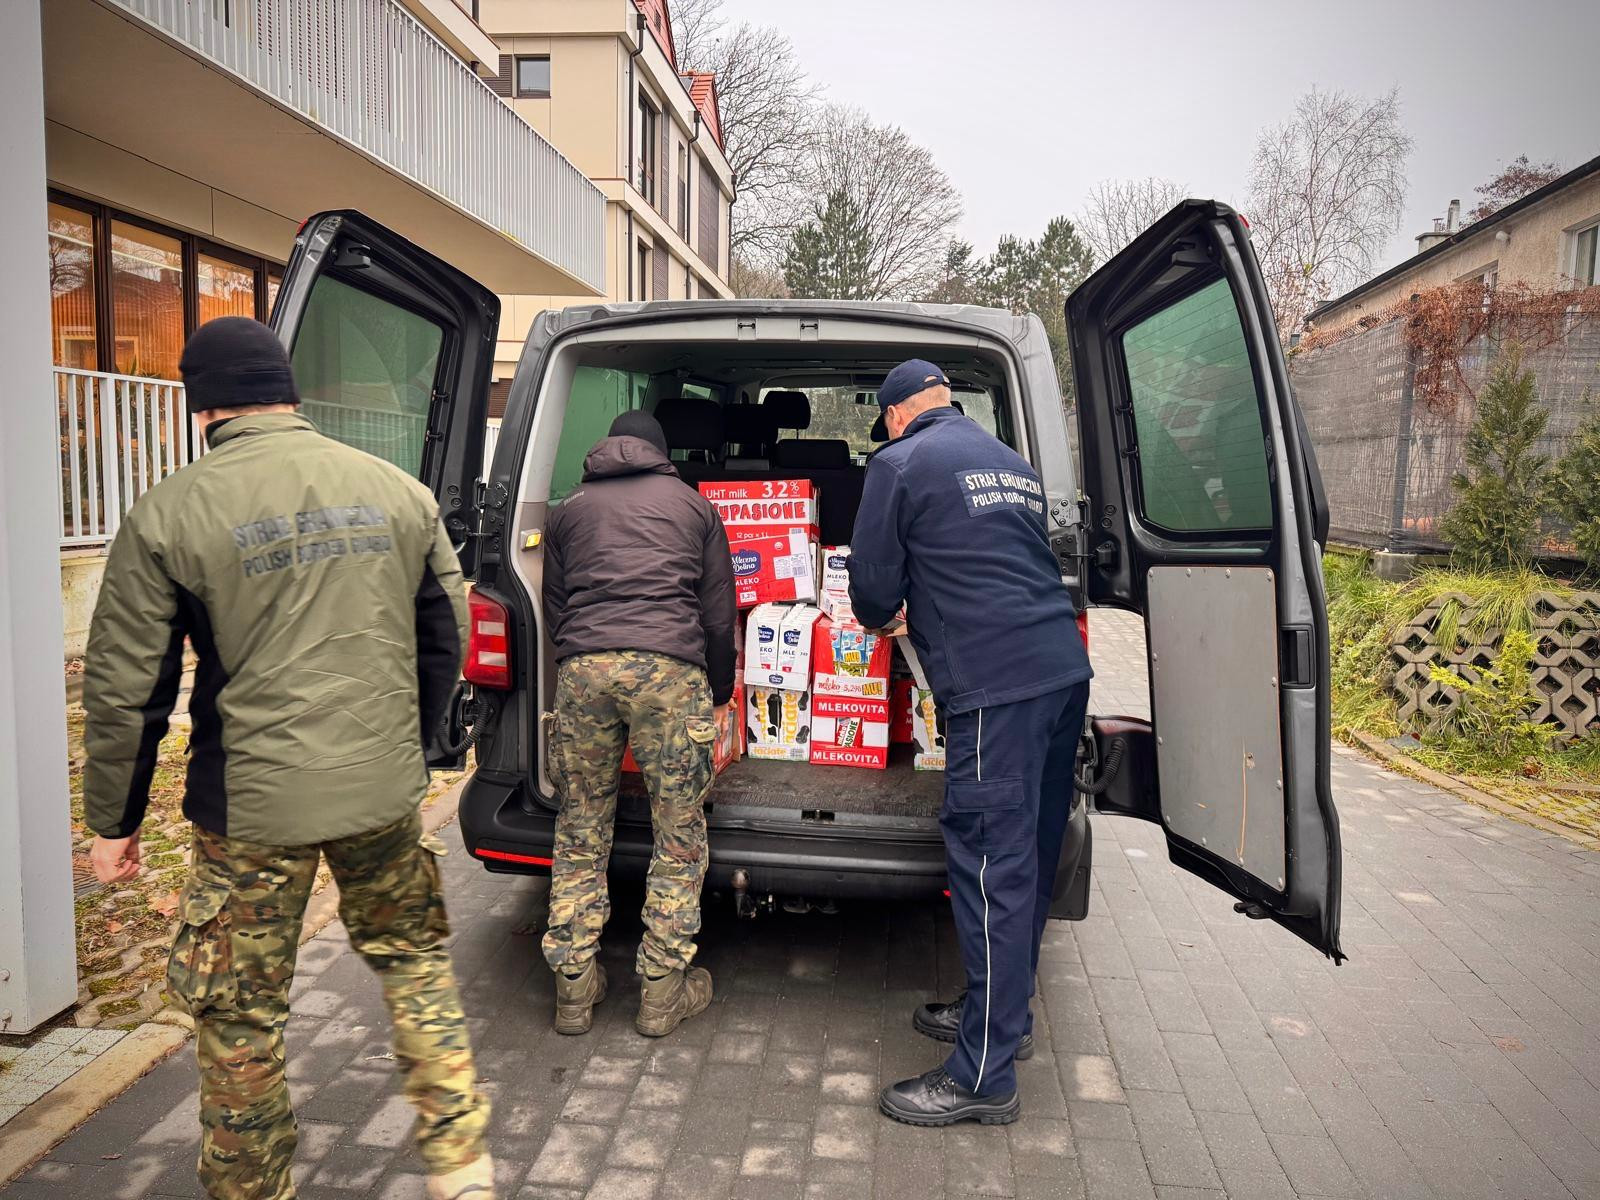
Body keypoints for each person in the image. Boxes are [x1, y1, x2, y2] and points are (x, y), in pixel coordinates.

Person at [82, 317, 494, 1200]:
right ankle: (462, 1163)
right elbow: (445, 631)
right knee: (414, 964)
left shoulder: (168, 514)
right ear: (288, 393)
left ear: (203, 406)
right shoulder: (398, 492)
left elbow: (126, 689)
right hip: (380, 791)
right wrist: (414, 749)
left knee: (239, 1012)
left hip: (250, 810)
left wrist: (114, 822)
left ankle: (253, 1187)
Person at [848, 359, 1093, 1126]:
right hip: (1061, 675)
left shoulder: (899, 462)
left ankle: (983, 1076)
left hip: (996, 689)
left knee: (991, 867)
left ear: (894, 415)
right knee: (1029, 862)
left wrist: (890, 610)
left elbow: (871, 591)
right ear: (946, 402)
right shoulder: (1010, 462)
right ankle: (1002, 1020)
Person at [540, 409, 737, 1037]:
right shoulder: (694, 507)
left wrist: (581, 659)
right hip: (669, 671)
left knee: (580, 825)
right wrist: (721, 690)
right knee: (678, 833)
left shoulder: (568, 510)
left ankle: (574, 987)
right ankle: (661, 991)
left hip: (583, 669)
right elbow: (717, 614)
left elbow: (554, 606)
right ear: (661, 453)